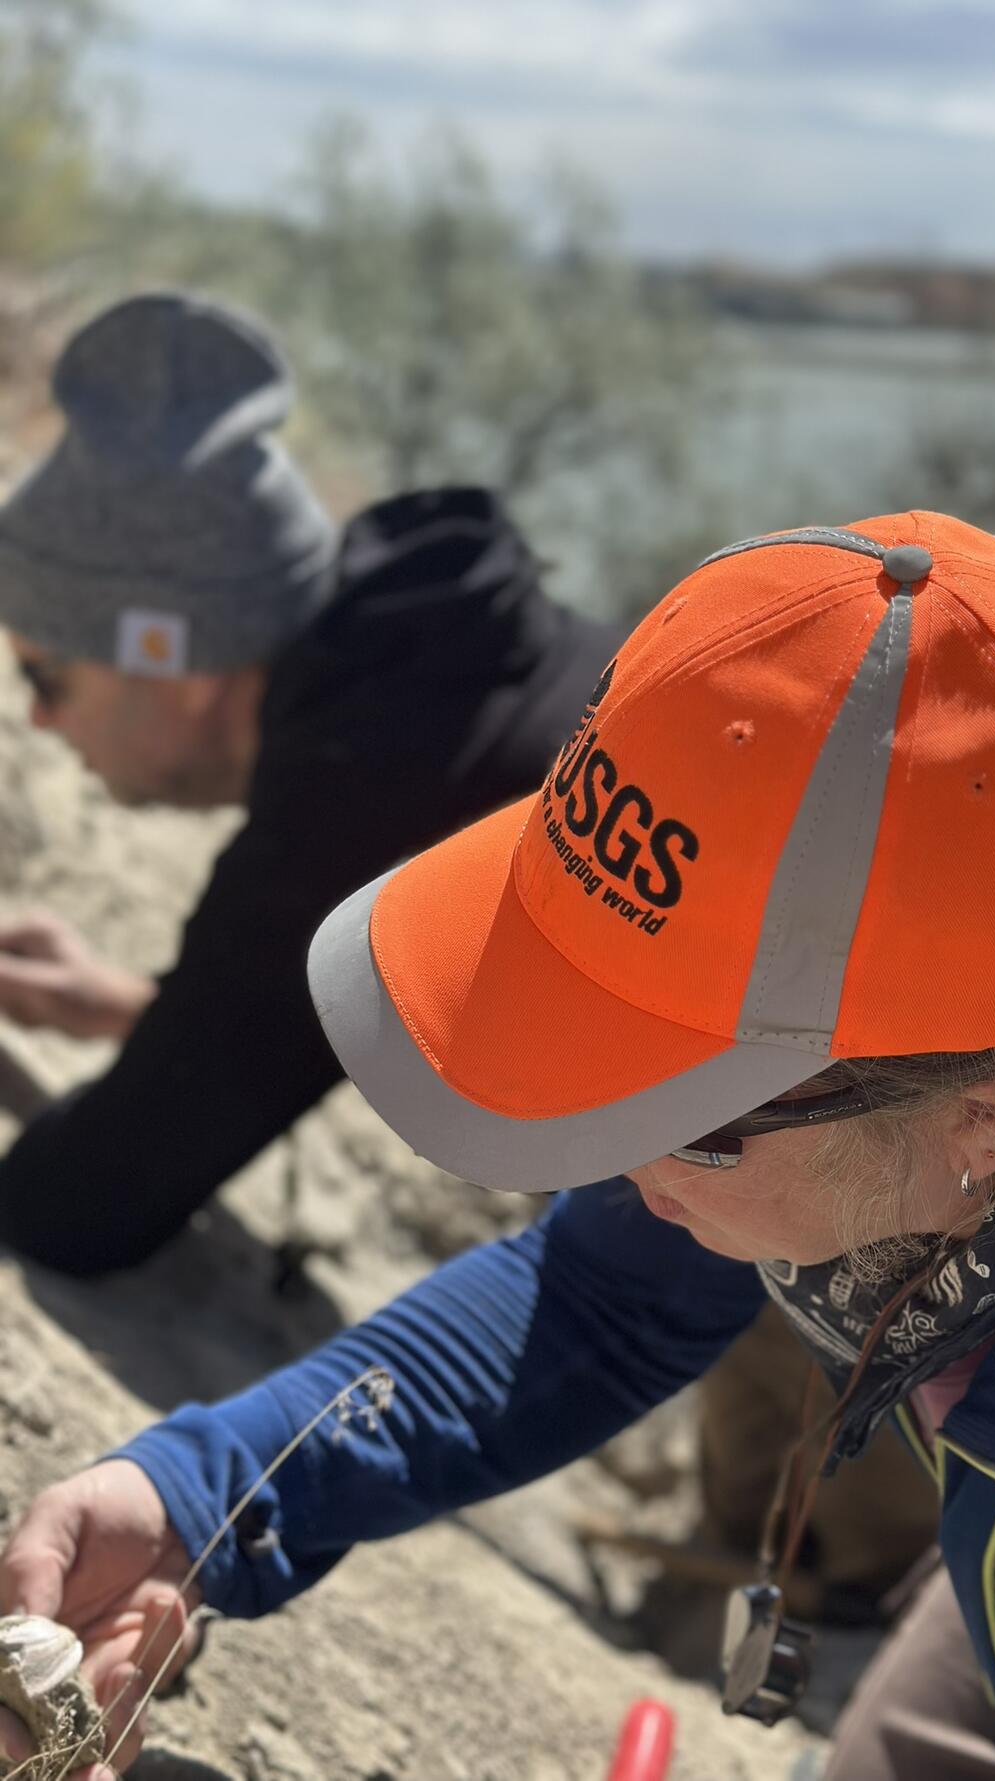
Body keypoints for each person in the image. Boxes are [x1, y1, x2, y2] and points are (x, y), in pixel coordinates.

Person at [4, 462, 995, 1781]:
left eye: (677, 1114)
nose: (600, 1157)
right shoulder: (949, 1096)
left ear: (985, 1119)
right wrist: (198, 1495)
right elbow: (598, 1302)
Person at [0, 290, 619, 1274]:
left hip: (880, 1258)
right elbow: (284, 1020)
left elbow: (77, 1203)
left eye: (47, 675)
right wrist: (153, 1009)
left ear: (177, 659)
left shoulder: (354, 798)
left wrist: (186, 1032)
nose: (36, 718)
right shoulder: (447, 673)